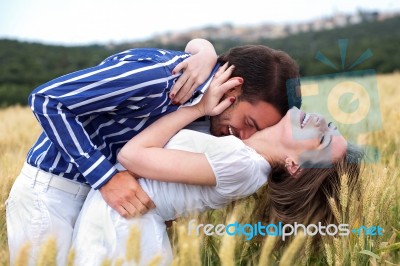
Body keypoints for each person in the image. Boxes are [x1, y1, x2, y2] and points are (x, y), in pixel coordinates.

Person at [6, 39, 301, 265]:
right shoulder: (159, 79)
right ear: (233, 87)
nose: (245, 137)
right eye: (249, 123)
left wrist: (203, 47)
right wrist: (106, 179)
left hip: (93, 202)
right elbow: (48, 100)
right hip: (50, 197)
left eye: (258, 132)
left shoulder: (208, 114)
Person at [71, 64, 362, 265]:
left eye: (323, 139)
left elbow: (131, 155)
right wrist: (203, 50)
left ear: (295, 165)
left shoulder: (243, 166)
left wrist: (197, 108)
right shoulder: (238, 149)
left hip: (123, 233)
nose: (322, 122)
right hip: (117, 222)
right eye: (332, 125)